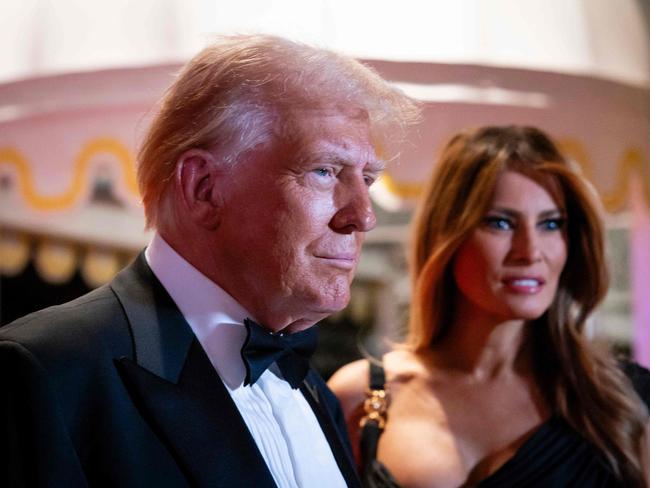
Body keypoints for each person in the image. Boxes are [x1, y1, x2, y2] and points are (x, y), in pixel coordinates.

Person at [0, 35, 419, 487]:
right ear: (203, 188)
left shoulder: (316, 392)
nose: (364, 215)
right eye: (324, 171)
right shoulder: (44, 372)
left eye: (368, 179)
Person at [329, 125, 650, 487]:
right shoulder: (363, 395)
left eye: (551, 224)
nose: (530, 252)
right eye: (500, 223)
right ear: (447, 236)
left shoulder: (623, 402)